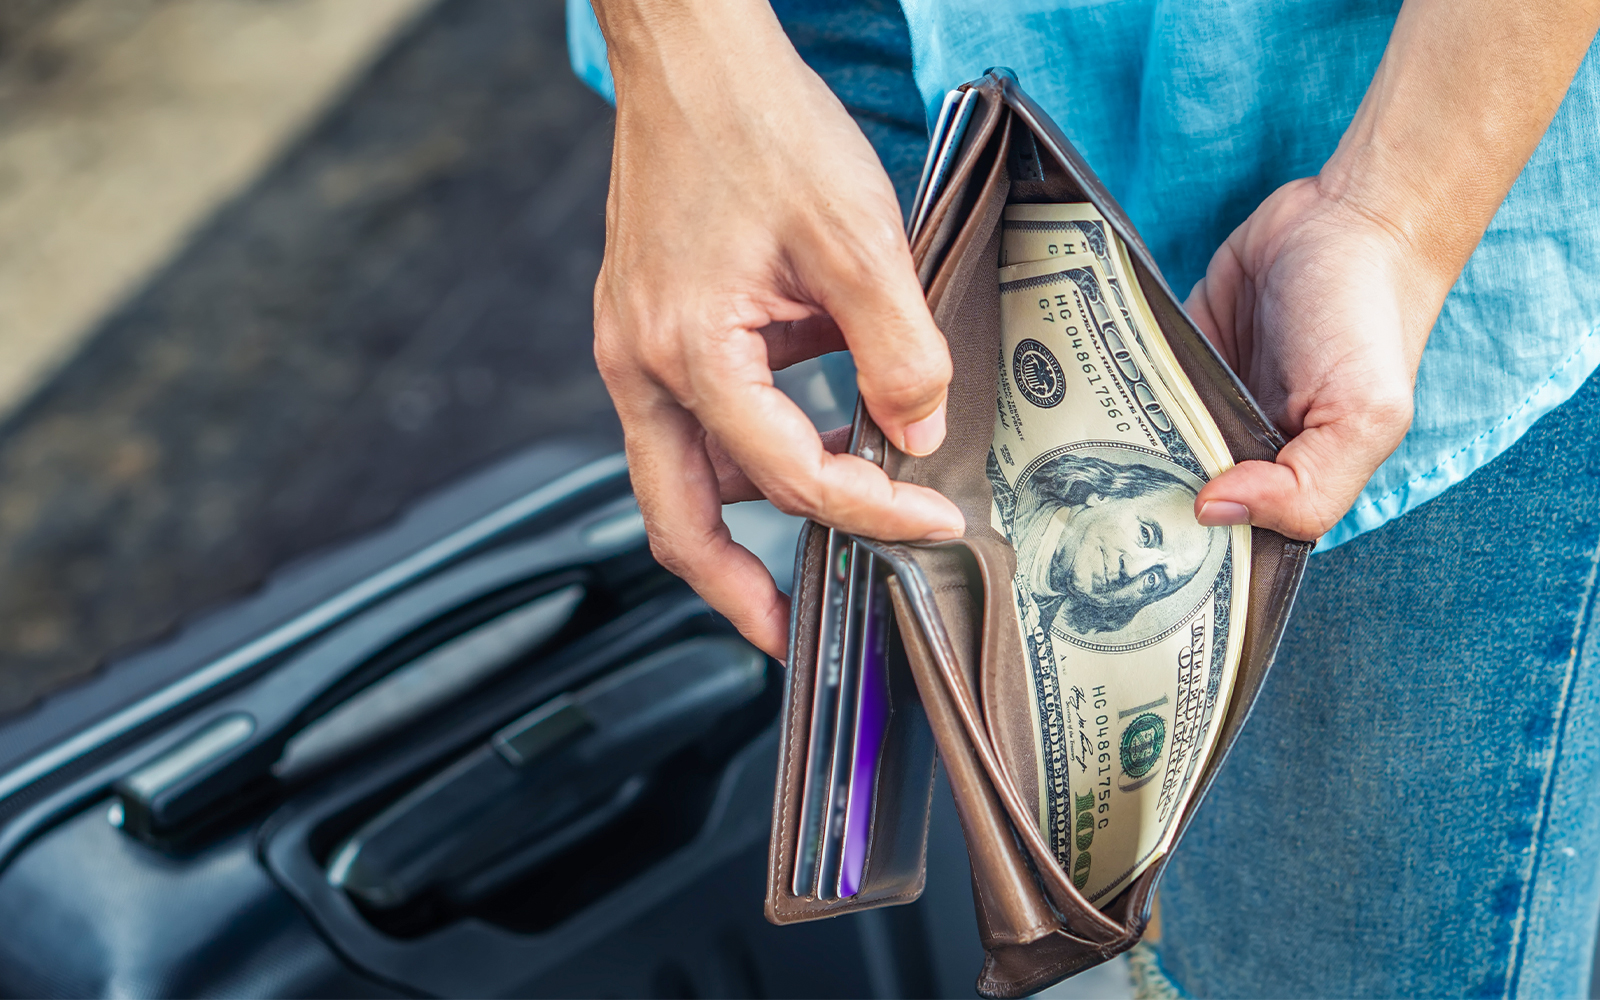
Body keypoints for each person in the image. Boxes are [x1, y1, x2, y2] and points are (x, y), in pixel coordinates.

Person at [566, 0, 1600, 994]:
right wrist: (681, 51)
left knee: (1307, 963)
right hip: (815, 44)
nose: (1146, 562)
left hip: (1403, 98)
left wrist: (1396, 212)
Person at [1007, 451, 1216, 639]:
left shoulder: (1033, 634)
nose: (1133, 570)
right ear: (1103, 495)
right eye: (1145, 534)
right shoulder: (1005, 498)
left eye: (1154, 579)